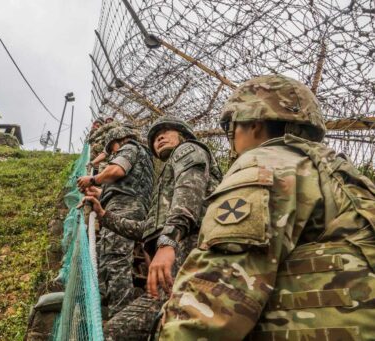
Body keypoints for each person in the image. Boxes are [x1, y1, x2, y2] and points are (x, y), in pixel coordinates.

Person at [157, 75, 375, 340]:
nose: (232, 139)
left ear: (255, 124)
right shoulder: (346, 175)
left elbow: (218, 297)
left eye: (232, 128)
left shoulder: (266, 164)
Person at [84, 116, 222, 340]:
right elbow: (145, 230)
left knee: (110, 334)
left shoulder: (188, 150)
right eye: (156, 136)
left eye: (167, 131)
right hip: (175, 275)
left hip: (191, 262)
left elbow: (189, 196)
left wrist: (168, 242)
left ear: (184, 135)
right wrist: (104, 215)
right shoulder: (165, 180)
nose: (159, 137)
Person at [78, 126, 154, 319]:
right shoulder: (142, 158)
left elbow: (117, 170)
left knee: (116, 260)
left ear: (117, 141)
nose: (113, 153)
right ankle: (112, 311)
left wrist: (93, 179)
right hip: (127, 206)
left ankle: (119, 319)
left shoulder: (130, 147)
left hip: (125, 208)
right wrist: (96, 192)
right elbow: (120, 188)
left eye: (112, 149)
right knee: (111, 259)